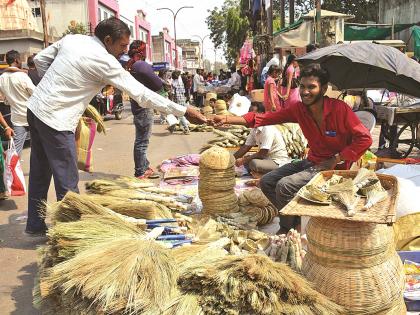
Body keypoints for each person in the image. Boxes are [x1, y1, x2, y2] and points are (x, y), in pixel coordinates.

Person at [25, 17, 206, 236]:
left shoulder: (74, 39)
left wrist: (52, 89)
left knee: (39, 171)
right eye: (121, 46)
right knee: (67, 180)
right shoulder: (105, 61)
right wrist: (183, 110)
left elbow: (41, 59)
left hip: (35, 110)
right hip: (56, 119)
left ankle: (35, 224)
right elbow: (142, 94)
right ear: (108, 40)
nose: (124, 52)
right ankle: (69, 234)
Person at [211, 64, 372, 232]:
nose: (305, 92)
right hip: (312, 161)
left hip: (335, 168)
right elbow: (264, 118)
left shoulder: (339, 109)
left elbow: (365, 139)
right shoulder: (299, 110)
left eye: (311, 87)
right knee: (267, 182)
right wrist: (227, 119)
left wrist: (337, 158)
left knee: (284, 185)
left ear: (323, 89)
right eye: (302, 86)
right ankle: (294, 220)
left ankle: (287, 228)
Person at [126, 40, 162, 179]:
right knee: (142, 141)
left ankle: (144, 165)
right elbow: (158, 84)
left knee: (141, 139)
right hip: (143, 107)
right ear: (141, 51)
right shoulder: (140, 65)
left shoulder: (131, 65)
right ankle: (141, 171)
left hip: (138, 105)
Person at [234, 105, 289, 176]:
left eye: (253, 114)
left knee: (253, 163)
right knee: (248, 160)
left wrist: (243, 160)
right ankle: (260, 173)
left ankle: (263, 174)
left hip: (277, 161)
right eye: (249, 113)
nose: (249, 116)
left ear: (262, 114)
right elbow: (245, 147)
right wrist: (231, 159)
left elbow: (262, 153)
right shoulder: (254, 129)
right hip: (265, 160)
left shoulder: (267, 128)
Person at [0, 50, 35, 156]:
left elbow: (5, 100)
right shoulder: (22, 76)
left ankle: (11, 171)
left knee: (15, 150)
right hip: (32, 116)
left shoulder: (2, 78)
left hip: (17, 118)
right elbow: (35, 93)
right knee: (38, 147)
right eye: (20, 59)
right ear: (16, 60)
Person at [172, 70, 190, 134]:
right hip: (182, 99)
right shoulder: (180, 81)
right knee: (179, 114)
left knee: (180, 114)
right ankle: (179, 126)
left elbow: (173, 93)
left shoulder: (175, 82)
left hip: (178, 100)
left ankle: (186, 128)